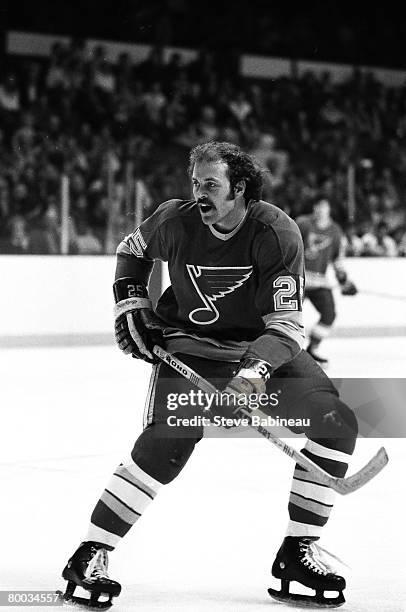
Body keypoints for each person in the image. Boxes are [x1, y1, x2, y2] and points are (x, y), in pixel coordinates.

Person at [61, 143, 358, 609]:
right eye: (196, 183)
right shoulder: (173, 220)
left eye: (212, 185)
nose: (200, 193)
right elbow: (130, 251)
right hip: (189, 348)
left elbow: (285, 325)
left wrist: (254, 371)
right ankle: (91, 551)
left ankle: (297, 551)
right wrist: (132, 303)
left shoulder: (276, 232)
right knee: (166, 446)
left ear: (240, 189)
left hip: (257, 348)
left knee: (336, 421)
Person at [296, 198, 358, 365]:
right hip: (297, 279)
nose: (319, 209)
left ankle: (313, 349)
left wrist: (343, 279)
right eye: (317, 205)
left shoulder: (335, 231)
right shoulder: (302, 224)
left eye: (323, 206)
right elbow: (289, 247)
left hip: (319, 282)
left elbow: (337, 259)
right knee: (287, 316)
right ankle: (281, 352)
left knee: (329, 315)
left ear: (329, 209)